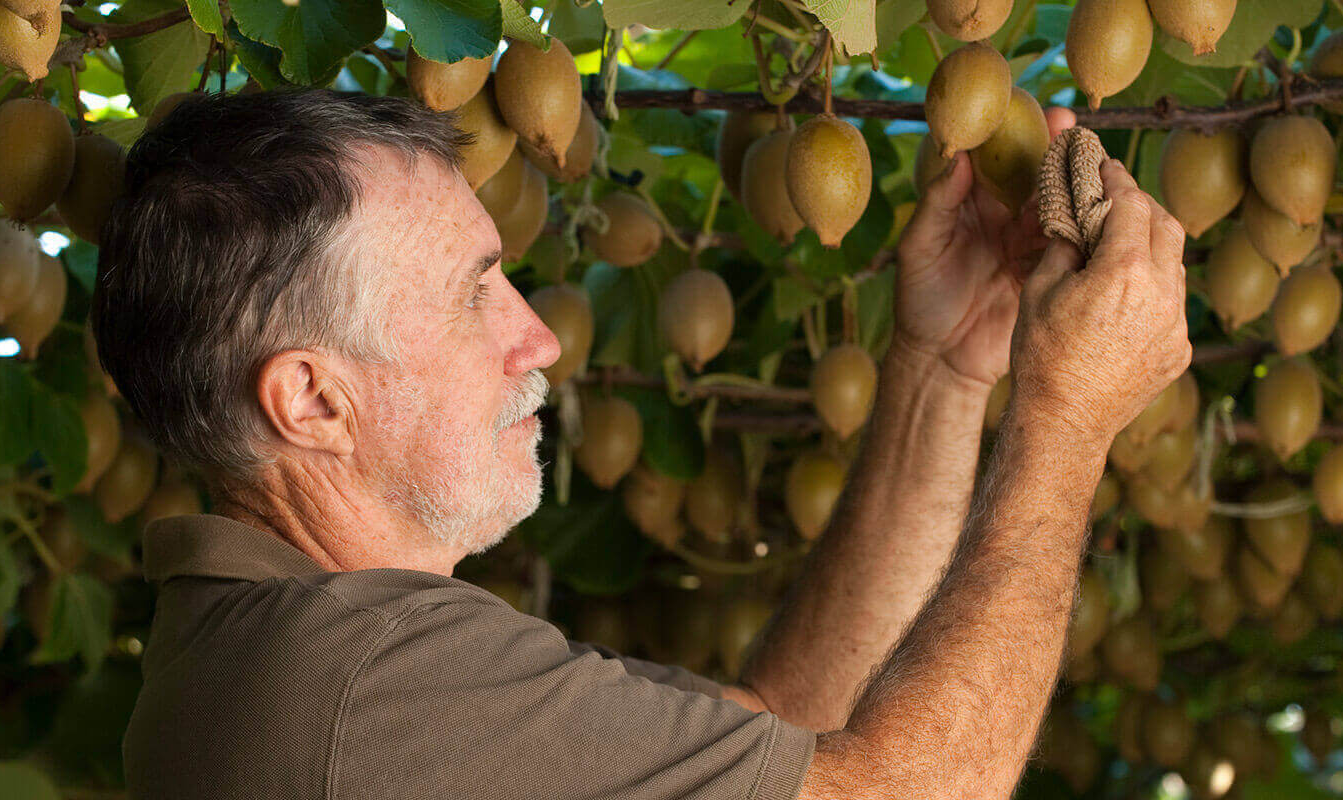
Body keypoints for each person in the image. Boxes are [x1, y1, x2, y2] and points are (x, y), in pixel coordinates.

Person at [92, 89, 1189, 800]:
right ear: (312, 400)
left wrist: (943, 371)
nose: (539, 334)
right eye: (474, 295)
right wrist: (1068, 416)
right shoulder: (366, 678)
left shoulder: (293, 648)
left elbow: (782, 732)